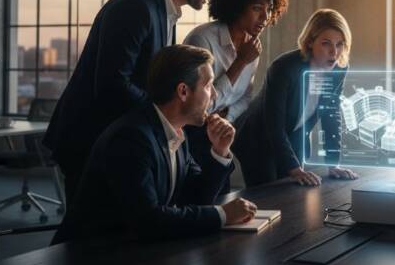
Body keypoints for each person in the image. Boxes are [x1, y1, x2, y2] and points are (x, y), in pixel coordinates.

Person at [44, 0, 229, 202]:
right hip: (92, 137)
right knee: (92, 225)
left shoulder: (163, 11)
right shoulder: (136, 7)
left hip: (122, 139)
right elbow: (113, 84)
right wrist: (166, 116)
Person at [52, 45, 257, 244]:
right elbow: (148, 221)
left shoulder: (176, 132)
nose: (214, 94)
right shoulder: (131, 138)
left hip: (132, 253)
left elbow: (194, 199)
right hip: (88, 256)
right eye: (208, 85)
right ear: (183, 91)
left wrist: (220, 150)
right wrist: (222, 215)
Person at [182, 0, 289, 184]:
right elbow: (198, 105)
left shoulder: (252, 45)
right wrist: (240, 62)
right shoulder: (202, 39)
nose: (265, 17)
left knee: (223, 195)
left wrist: (226, 118)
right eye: (257, 8)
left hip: (221, 134)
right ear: (237, 5)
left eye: (269, 9)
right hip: (192, 136)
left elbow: (245, 97)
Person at [242, 9, 358, 186]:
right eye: (326, 43)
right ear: (310, 42)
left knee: (296, 191)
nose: (334, 52)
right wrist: (294, 169)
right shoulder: (284, 67)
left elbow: (331, 113)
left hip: (294, 135)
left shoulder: (339, 68)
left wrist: (333, 163)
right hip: (258, 139)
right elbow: (274, 125)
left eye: (340, 44)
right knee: (267, 194)